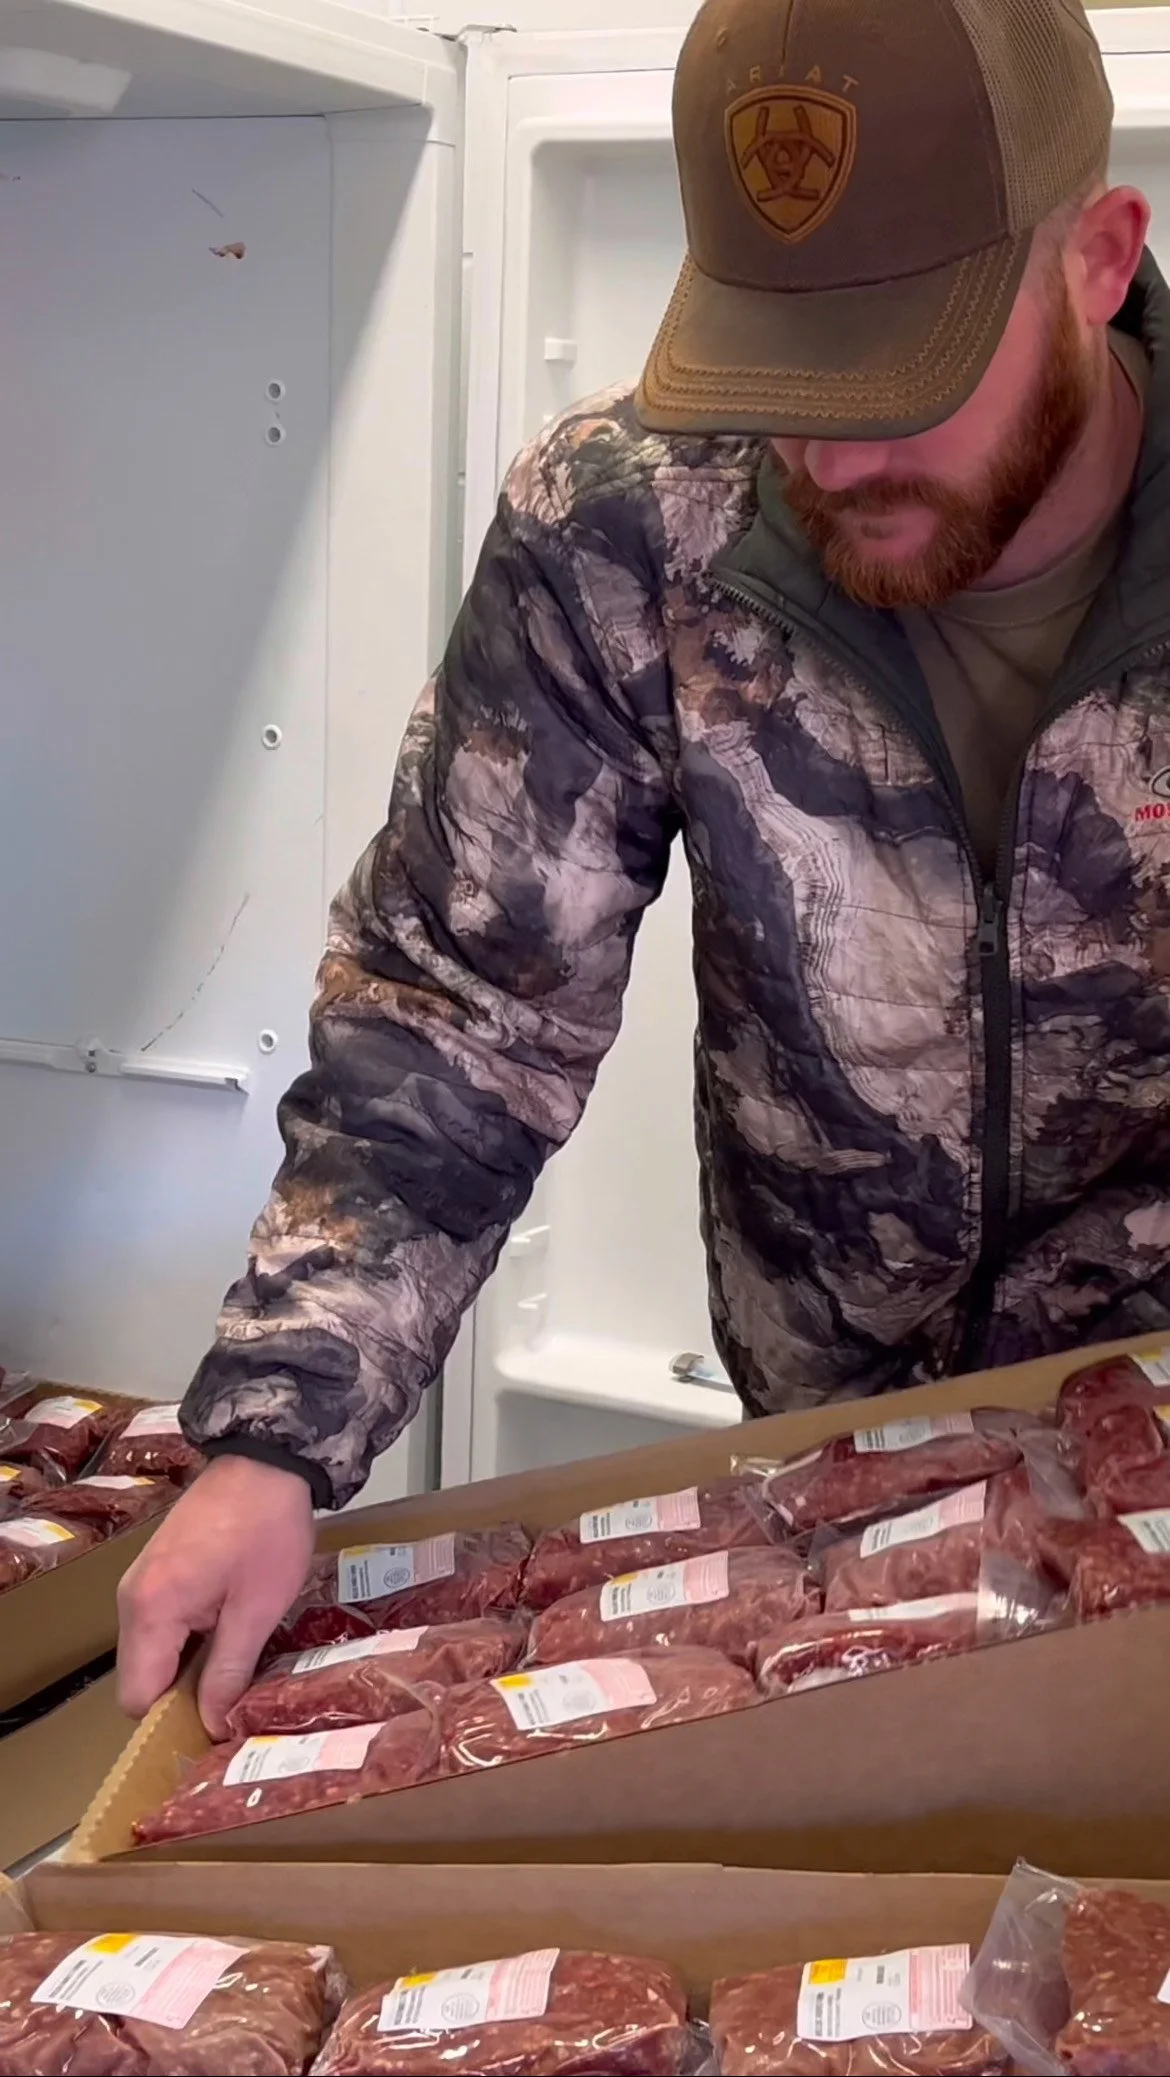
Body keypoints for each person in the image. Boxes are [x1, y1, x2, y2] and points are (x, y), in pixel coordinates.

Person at [118, 0, 1164, 1734]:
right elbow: (464, 1005)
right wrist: (271, 1440)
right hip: (832, 1470)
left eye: (901, 376)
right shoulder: (630, 520)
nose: (829, 462)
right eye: (782, 381)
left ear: (1098, 261)